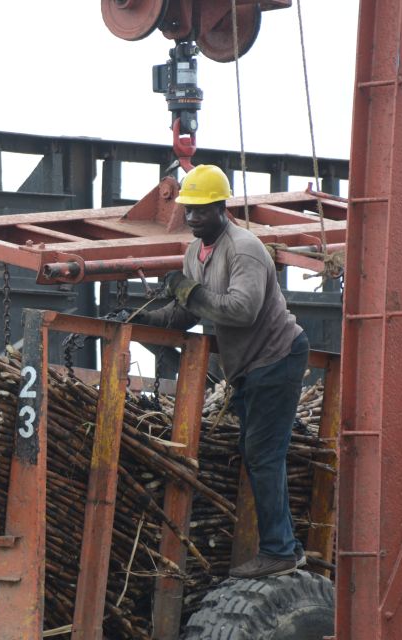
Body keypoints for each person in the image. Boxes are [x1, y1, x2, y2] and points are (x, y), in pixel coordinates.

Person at [134, 164, 309, 579]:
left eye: (199, 211)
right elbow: (185, 312)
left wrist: (188, 291)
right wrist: (143, 319)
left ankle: (281, 551)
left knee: (263, 455)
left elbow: (240, 310)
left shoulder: (244, 248)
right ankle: (285, 546)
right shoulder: (195, 252)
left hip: (276, 358)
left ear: (221, 207)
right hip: (250, 367)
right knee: (261, 453)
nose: (191, 218)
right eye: (187, 210)